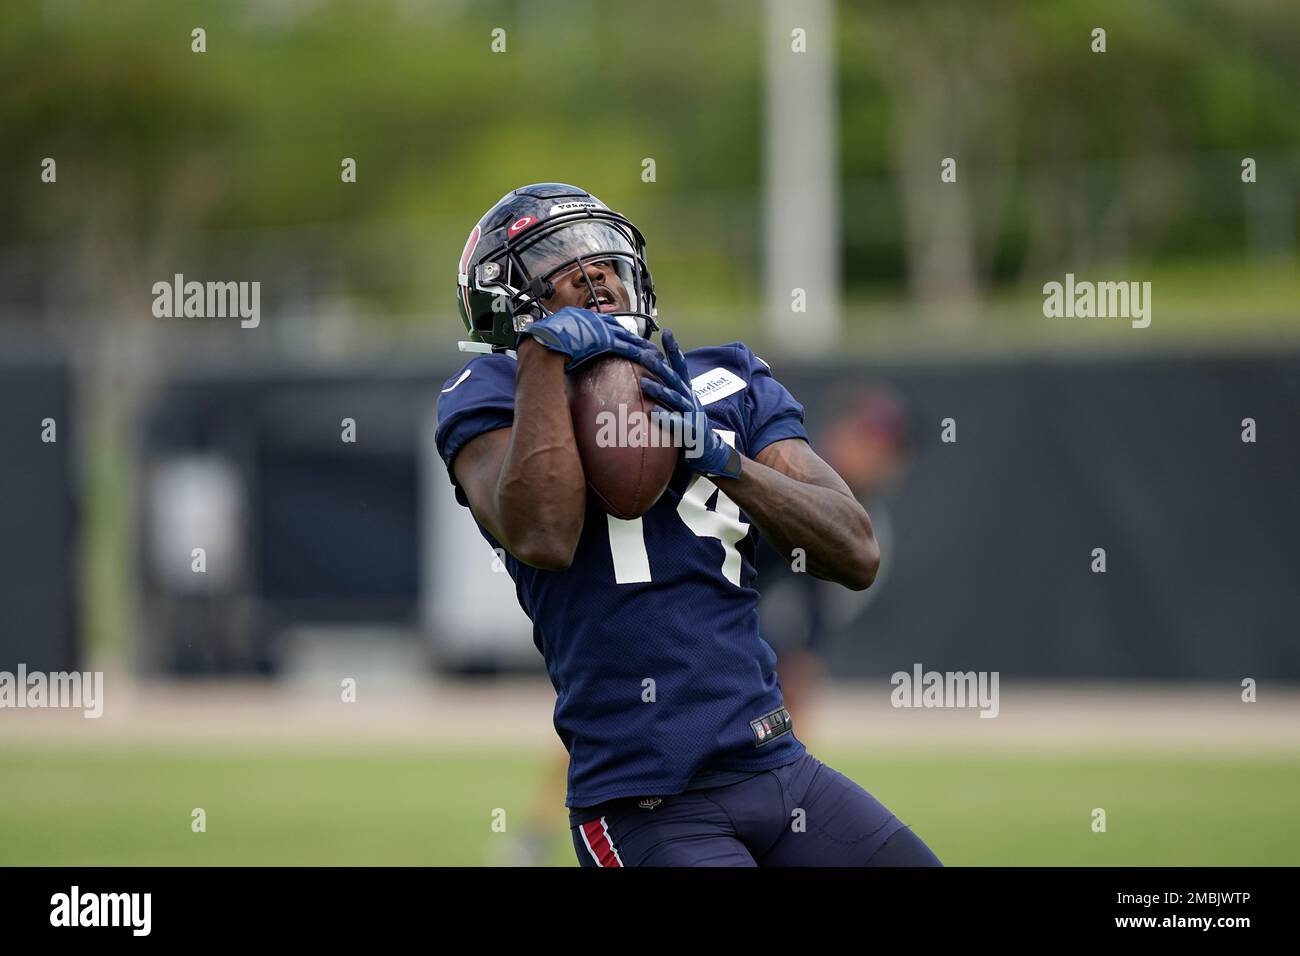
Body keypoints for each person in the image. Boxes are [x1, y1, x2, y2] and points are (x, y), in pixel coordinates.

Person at [435, 183, 940, 866]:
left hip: (777, 768)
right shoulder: (492, 395)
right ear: (508, 306)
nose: (592, 274)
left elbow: (855, 551)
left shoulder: (729, 379)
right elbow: (543, 536)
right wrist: (544, 363)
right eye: (555, 264)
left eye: (602, 258)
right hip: (644, 801)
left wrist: (726, 461)